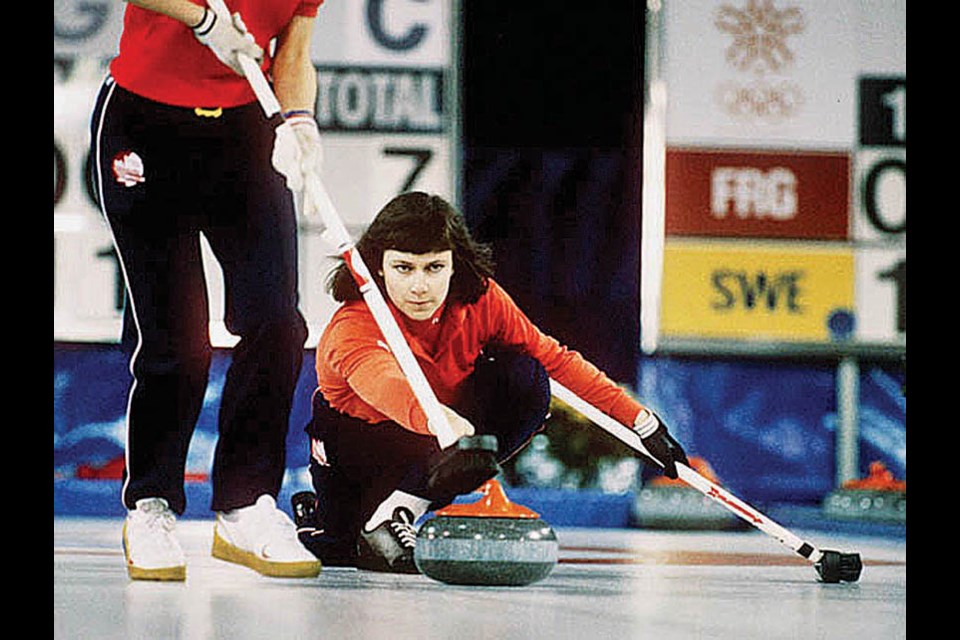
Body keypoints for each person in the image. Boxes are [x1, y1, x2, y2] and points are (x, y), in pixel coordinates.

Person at [293, 191, 689, 573]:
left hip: (438, 447)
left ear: (454, 264)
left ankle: (402, 507)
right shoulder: (351, 328)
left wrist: (641, 423)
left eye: (434, 268)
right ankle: (324, 518)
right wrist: (439, 420)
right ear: (378, 266)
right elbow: (384, 383)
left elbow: (554, 359)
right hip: (360, 446)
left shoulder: (481, 301)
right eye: (404, 268)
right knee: (345, 553)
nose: (420, 286)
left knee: (525, 377)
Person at [90, 0, 328, 581]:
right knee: (177, 336)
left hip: (246, 130)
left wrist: (298, 118)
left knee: (277, 321)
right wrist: (200, 18)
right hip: (144, 124)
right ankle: (151, 505)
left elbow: (294, 50)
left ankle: (246, 505)